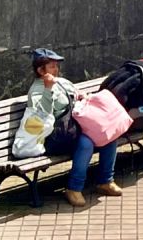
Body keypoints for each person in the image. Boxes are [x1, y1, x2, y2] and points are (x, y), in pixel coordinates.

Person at [25, 47, 121, 207]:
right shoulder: (36, 91)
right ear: (40, 70)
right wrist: (48, 89)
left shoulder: (62, 82)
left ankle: (105, 181)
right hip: (56, 136)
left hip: (74, 128)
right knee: (86, 143)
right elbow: (41, 116)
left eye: (57, 66)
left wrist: (82, 96)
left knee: (108, 134)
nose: (56, 70)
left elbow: (76, 94)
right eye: (52, 66)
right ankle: (74, 188)